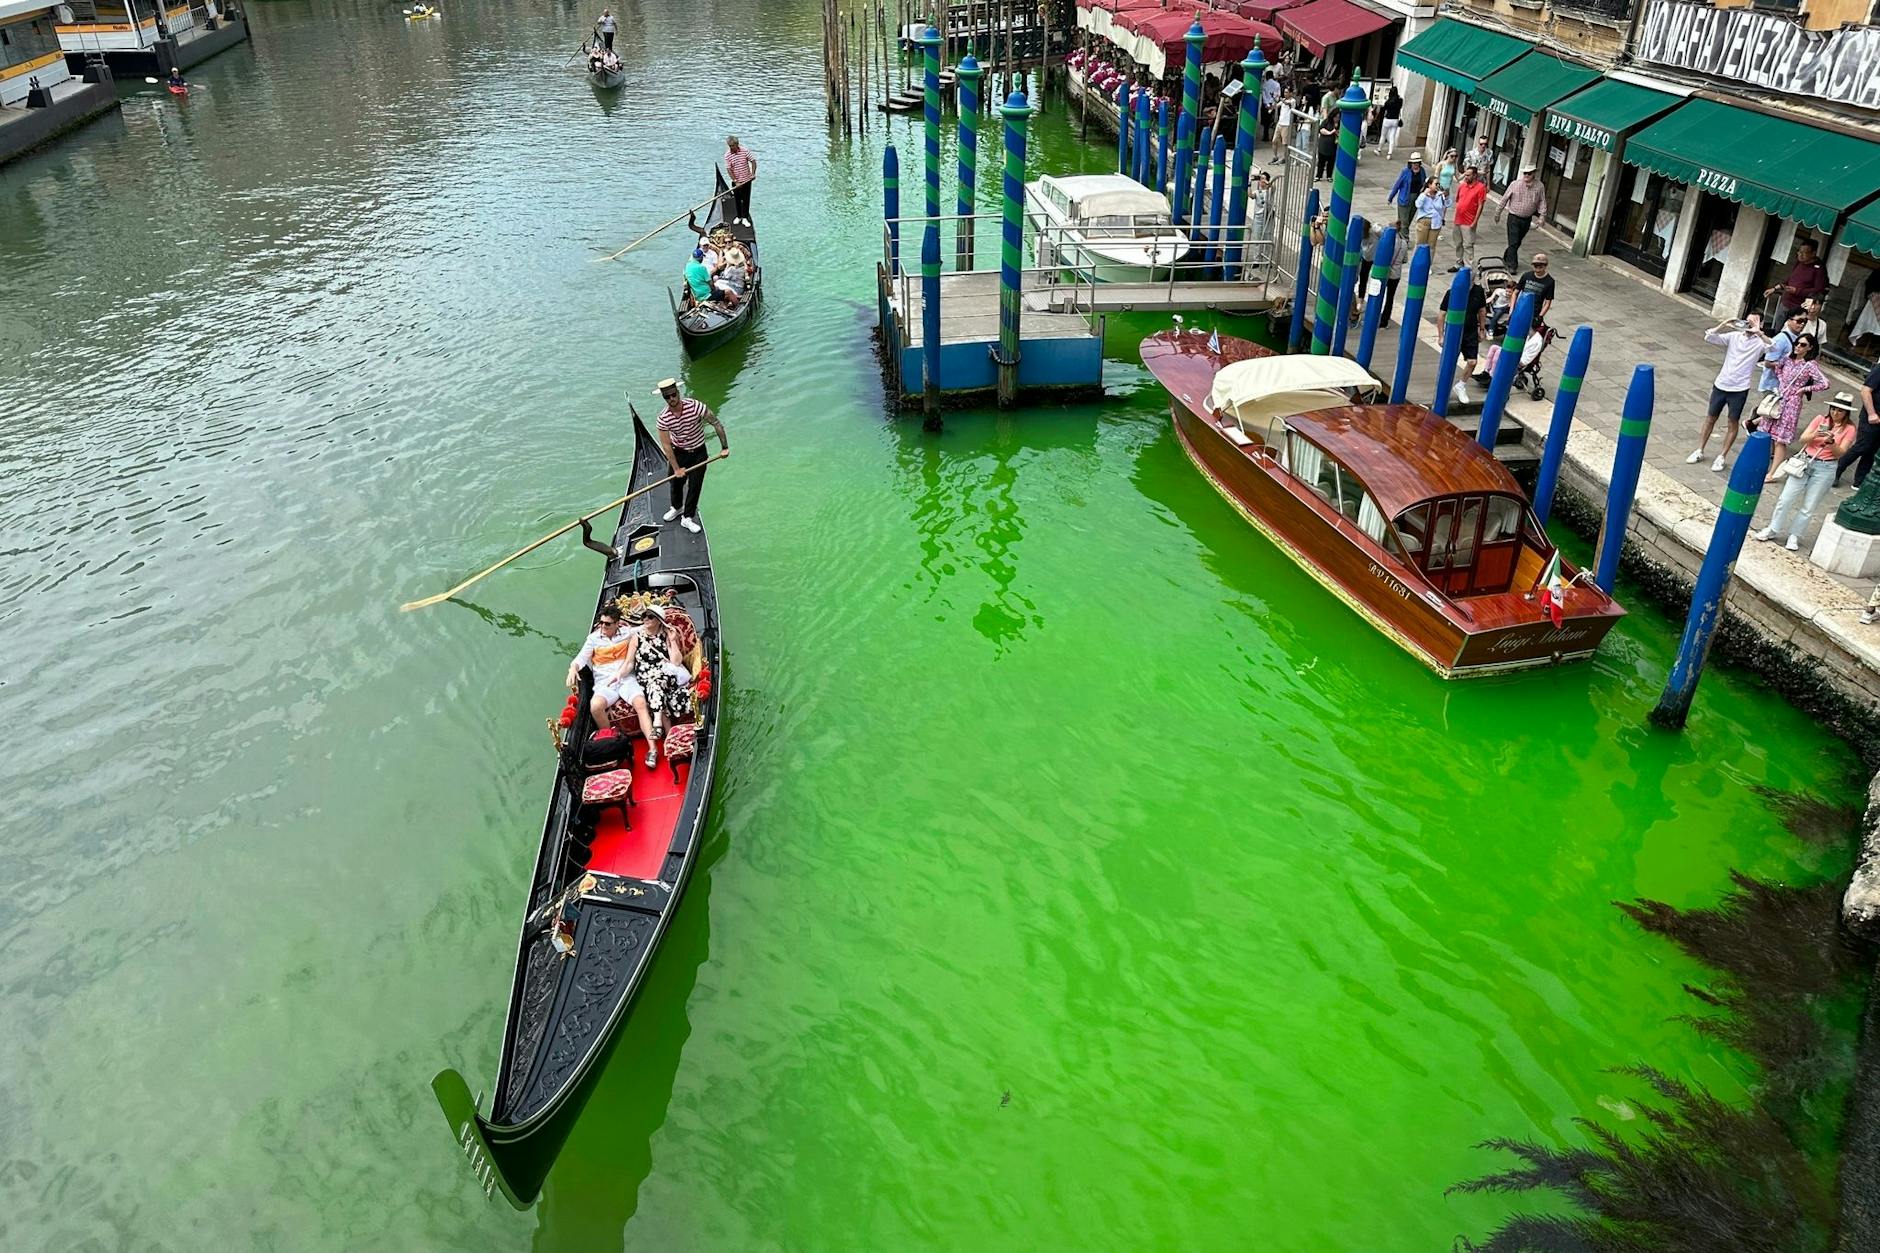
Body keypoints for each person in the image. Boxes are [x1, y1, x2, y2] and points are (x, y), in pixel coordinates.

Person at [1753, 396, 1858, 552]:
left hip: (1826, 467)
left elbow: (1840, 453)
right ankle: (1773, 528)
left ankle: (1795, 535)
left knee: (1809, 505)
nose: (1835, 413)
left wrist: (1832, 443)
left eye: (1840, 411)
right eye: (1833, 409)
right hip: (1804, 461)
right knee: (1785, 498)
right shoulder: (1820, 419)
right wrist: (1817, 434)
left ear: (1846, 413)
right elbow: (1803, 439)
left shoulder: (1849, 429)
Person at [1686, 313, 1769, 472]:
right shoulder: (1734, 336)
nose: (1749, 325)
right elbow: (1710, 336)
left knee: (1732, 421)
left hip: (1739, 388)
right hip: (1721, 384)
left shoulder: (1759, 343)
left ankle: (1722, 456)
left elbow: (1774, 348)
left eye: (1753, 322)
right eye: (1748, 321)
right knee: (1710, 418)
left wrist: (1759, 332)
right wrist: (1725, 323)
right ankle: (1699, 450)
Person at [568, 604, 655, 751]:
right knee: (595, 706)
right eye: (601, 623)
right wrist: (572, 669)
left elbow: (645, 628)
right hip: (605, 683)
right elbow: (580, 658)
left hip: (625, 679)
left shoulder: (626, 633)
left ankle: (652, 748)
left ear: (617, 624)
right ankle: (612, 743)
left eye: (607, 624)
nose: (602, 626)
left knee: (640, 703)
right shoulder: (593, 639)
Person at [655, 378, 730, 534]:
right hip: (679, 452)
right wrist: (676, 468)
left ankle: (687, 518)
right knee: (676, 483)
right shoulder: (663, 418)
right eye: (667, 397)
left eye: (673, 395)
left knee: (695, 486)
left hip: (698, 452)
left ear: (678, 392)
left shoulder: (695, 406)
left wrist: (724, 447)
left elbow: (716, 423)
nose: (672, 399)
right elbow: (667, 446)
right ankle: (676, 508)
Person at [625, 604, 695, 751]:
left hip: (665, 676)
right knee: (655, 687)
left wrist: (673, 640)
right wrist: (617, 676)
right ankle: (668, 734)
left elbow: (676, 661)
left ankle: (658, 724)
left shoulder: (666, 635)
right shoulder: (636, 637)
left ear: (658, 620)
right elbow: (629, 662)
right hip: (645, 677)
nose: (646, 619)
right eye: (644, 616)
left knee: (656, 685)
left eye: (650, 616)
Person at [1764, 333, 1830, 482]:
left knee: (1780, 439)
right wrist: (1781, 382)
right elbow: (1778, 368)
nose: (1798, 347)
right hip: (1780, 398)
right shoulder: (1788, 358)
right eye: (1797, 343)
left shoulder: (1809, 365)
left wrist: (1803, 389)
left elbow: (1825, 383)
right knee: (1767, 431)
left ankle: (1773, 472)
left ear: (1810, 347)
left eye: (1803, 345)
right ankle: (1764, 465)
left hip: (1792, 404)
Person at [1438, 273, 1488, 404]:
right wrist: (1441, 336)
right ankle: (1443, 388)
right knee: (1449, 361)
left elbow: (1482, 311)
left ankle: (1460, 385)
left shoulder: (1478, 291)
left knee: (1472, 362)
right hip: (1454, 332)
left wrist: (1482, 329)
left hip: (1471, 331)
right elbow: (1442, 314)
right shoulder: (1452, 292)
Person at [1837, 357, 1880, 488]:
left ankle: (1859, 480)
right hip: (1871, 416)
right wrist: (1871, 413)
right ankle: (1837, 470)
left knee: (1872, 451)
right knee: (1862, 446)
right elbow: (1866, 390)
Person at [1497, 164, 1548, 272]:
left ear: (1534, 174)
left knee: (1516, 242)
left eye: (1529, 173)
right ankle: (1512, 265)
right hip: (1514, 217)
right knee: (1514, 241)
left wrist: (1542, 216)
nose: (1526, 175)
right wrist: (1498, 212)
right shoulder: (1515, 184)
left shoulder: (1539, 186)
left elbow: (1542, 201)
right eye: (1525, 173)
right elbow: (1505, 198)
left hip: (1527, 219)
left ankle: (1507, 257)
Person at [1764, 239, 1828, 321]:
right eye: (1799, 252)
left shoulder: (1819, 269)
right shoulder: (1799, 262)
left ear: (1813, 254)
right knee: (1777, 329)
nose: (1800, 255)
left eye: (1804, 253)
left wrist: (1797, 291)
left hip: (1799, 309)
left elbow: (1818, 290)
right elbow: (1791, 278)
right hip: (1786, 303)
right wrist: (1775, 288)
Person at [1447, 165, 1486, 272]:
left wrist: (1475, 221)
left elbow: (1480, 205)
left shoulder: (1480, 188)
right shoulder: (1462, 186)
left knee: (1468, 245)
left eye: (1468, 175)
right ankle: (1458, 262)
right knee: (1458, 243)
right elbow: (1458, 201)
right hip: (1458, 220)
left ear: (1474, 175)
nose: (1465, 177)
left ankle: (1468, 266)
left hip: (1469, 221)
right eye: (1465, 174)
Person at [1385, 152, 1427, 235]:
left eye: (1417, 163)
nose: (1415, 165)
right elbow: (1397, 185)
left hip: (1416, 198)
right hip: (1404, 199)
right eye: (1414, 163)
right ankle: (1405, 239)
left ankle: (1398, 235)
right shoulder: (1405, 172)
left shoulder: (1422, 171)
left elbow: (1424, 183)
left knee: (1408, 220)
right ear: (1410, 163)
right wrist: (1390, 198)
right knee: (1404, 222)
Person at [724, 135, 757, 226]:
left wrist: (753, 173)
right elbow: (729, 169)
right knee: (737, 200)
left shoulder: (745, 151)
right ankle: (739, 216)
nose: (730, 148)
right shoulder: (727, 155)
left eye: (732, 146)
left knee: (746, 200)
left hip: (747, 180)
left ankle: (745, 218)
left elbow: (753, 161)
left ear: (737, 144)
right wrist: (735, 181)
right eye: (729, 146)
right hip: (736, 181)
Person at [1515, 253, 1555, 325]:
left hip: (1535, 313)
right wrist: (1512, 309)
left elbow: (1548, 302)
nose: (1538, 270)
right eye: (1535, 267)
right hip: (1520, 309)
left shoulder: (1550, 281)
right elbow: (1515, 293)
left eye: (1540, 267)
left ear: (1545, 266)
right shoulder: (1526, 275)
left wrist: (1540, 316)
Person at [1413, 180, 1446, 251]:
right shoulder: (1423, 195)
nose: (1437, 186)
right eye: (1436, 184)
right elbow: (1418, 205)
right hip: (1424, 221)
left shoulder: (1440, 195)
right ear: (1429, 185)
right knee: (1420, 244)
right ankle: (1416, 261)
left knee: (1431, 246)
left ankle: (1429, 261)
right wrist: (1424, 194)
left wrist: (1447, 196)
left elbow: (1446, 205)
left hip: (1436, 222)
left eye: (1439, 184)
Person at [1374, 85, 1403, 157]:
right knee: (1392, 136)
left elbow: (1383, 109)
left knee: (1383, 135)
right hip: (1395, 120)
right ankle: (1389, 153)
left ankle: (1379, 149)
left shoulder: (1388, 101)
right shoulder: (1400, 100)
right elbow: (1400, 107)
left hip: (1387, 119)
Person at [1314, 108, 1338, 181]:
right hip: (1324, 144)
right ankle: (1318, 175)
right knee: (1321, 161)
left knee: (1331, 162)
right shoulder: (1327, 121)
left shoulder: (1340, 124)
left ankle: (1329, 176)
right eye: (1336, 117)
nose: (1337, 119)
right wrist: (1330, 132)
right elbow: (1321, 129)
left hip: (1333, 145)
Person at [1271, 93, 1294, 162]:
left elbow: (1287, 103)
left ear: (1291, 93)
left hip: (1286, 124)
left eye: (1287, 92)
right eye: (1284, 92)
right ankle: (1275, 156)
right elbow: (1277, 105)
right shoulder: (1283, 100)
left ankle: (1285, 158)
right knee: (1274, 141)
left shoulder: (1293, 101)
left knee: (1285, 143)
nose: (1285, 94)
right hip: (1280, 123)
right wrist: (1274, 99)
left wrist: (1279, 98)